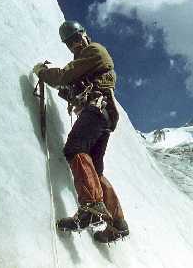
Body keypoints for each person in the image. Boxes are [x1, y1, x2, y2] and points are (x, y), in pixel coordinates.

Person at [33, 20, 129, 243]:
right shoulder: (89, 63)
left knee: (74, 148)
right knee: (95, 170)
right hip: (103, 115)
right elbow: (72, 85)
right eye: (70, 43)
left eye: (76, 39)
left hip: (96, 111)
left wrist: (42, 71)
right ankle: (117, 223)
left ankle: (91, 208)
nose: (75, 44)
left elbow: (64, 75)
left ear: (85, 35)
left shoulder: (94, 51)